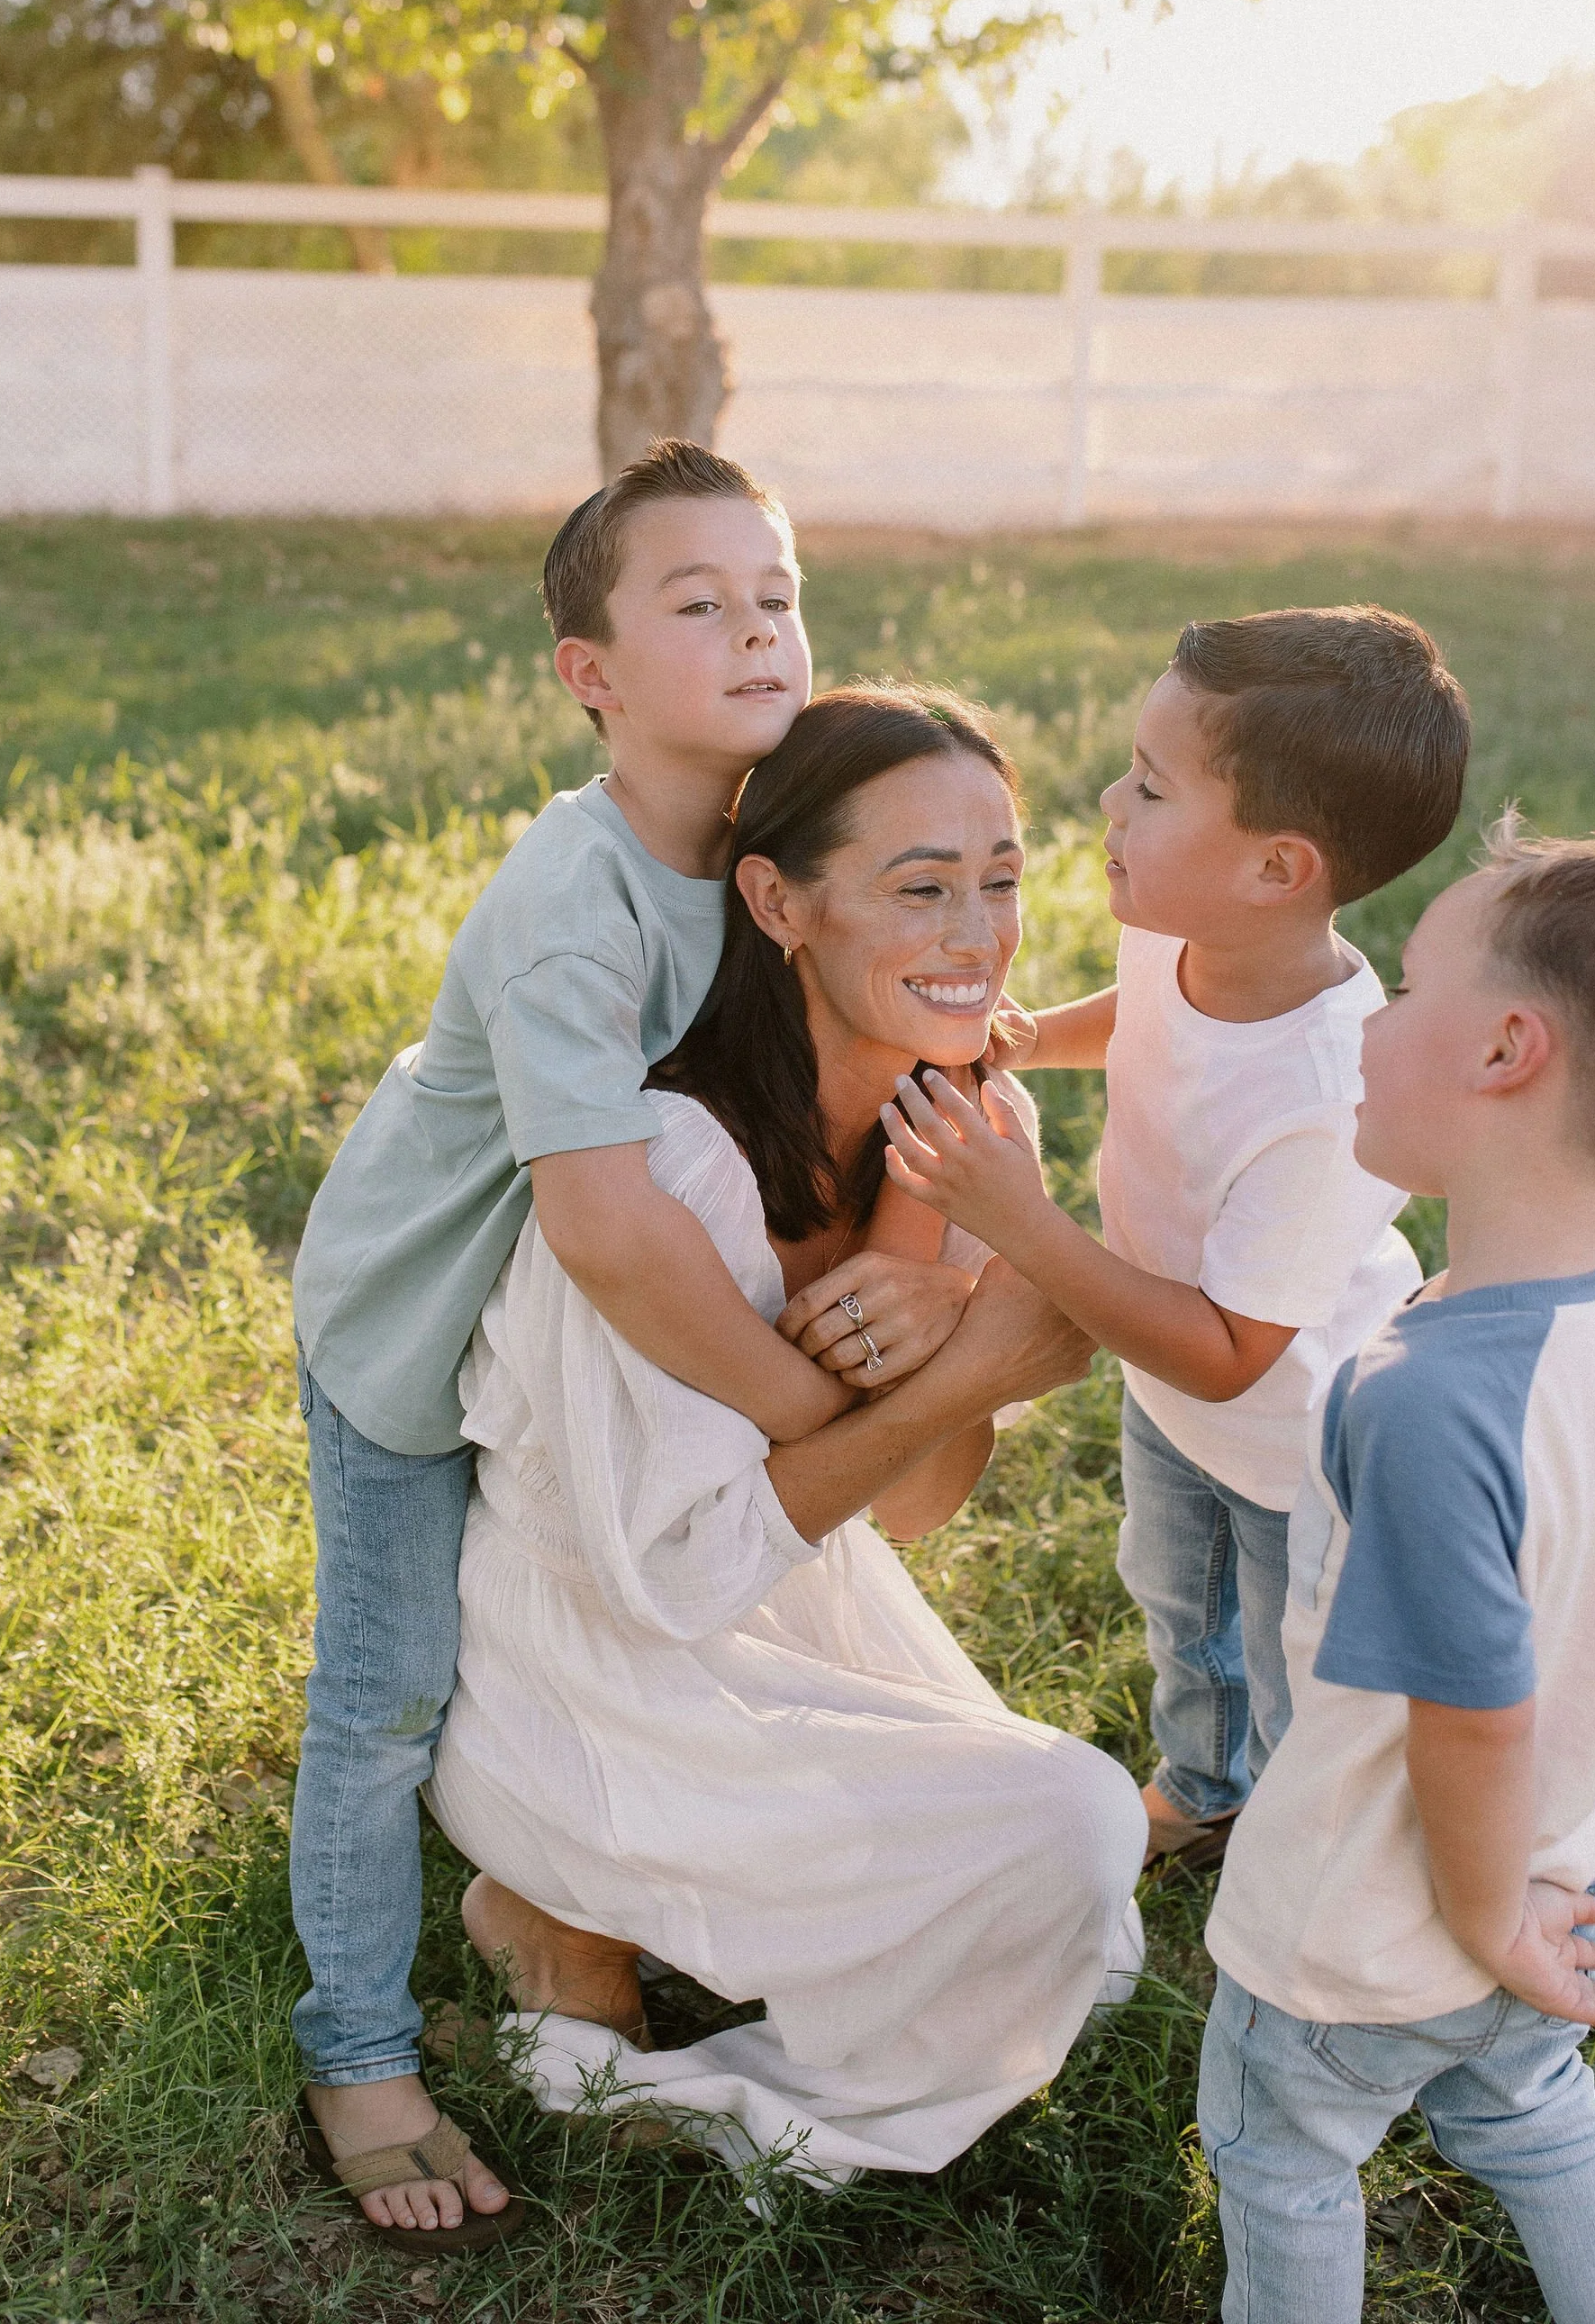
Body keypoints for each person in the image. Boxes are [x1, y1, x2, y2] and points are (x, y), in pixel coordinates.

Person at [289, 443, 925, 2249]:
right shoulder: (576, 898)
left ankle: (567, 1883)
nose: (756, 630)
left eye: (778, 595)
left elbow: (925, 1002)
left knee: (593, 1617)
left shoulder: (780, 854)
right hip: (424, 1336)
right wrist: (811, 1414)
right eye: (697, 603)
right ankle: (355, 2050)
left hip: (590, 1357)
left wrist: (929, 1247)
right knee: (389, 1682)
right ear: (592, 676)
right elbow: (603, 1223)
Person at [427, 688, 1148, 2184]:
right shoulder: (671, 1160)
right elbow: (673, 1578)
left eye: (1003, 879)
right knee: (1072, 1823)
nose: (980, 934)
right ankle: (558, 1892)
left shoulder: (957, 1126)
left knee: (1087, 1907)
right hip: (589, 1657)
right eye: (921, 886)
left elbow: (921, 1506)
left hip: (784, 1606)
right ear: (777, 900)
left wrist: (948, 1310)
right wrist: (971, 1366)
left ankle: (608, 1905)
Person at [878, 608, 1470, 1860]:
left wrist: (1020, 1223)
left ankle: (1311, 1845)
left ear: (1275, 868)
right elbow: (1146, 1021)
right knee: (1173, 1597)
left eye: (1149, 786)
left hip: (1294, 1441)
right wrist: (1041, 1033)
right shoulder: (1179, 928)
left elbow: (1229, 1353)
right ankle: (1205, 1787)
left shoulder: (1330, 1089)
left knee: (1285, 1643)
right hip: (1171, 1390)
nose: (1107, 800)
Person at [1198, 824, 1595, 2324]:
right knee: (1535, 2115)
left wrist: (1483, 1927)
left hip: (1381, 1920)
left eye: (1404, 989)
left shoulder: (1431, 1399)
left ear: (1506, 1051)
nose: (1370, 1023)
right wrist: (1531, 1909)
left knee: (1281, 2165)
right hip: (1573, 1859)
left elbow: (1473, 1714)